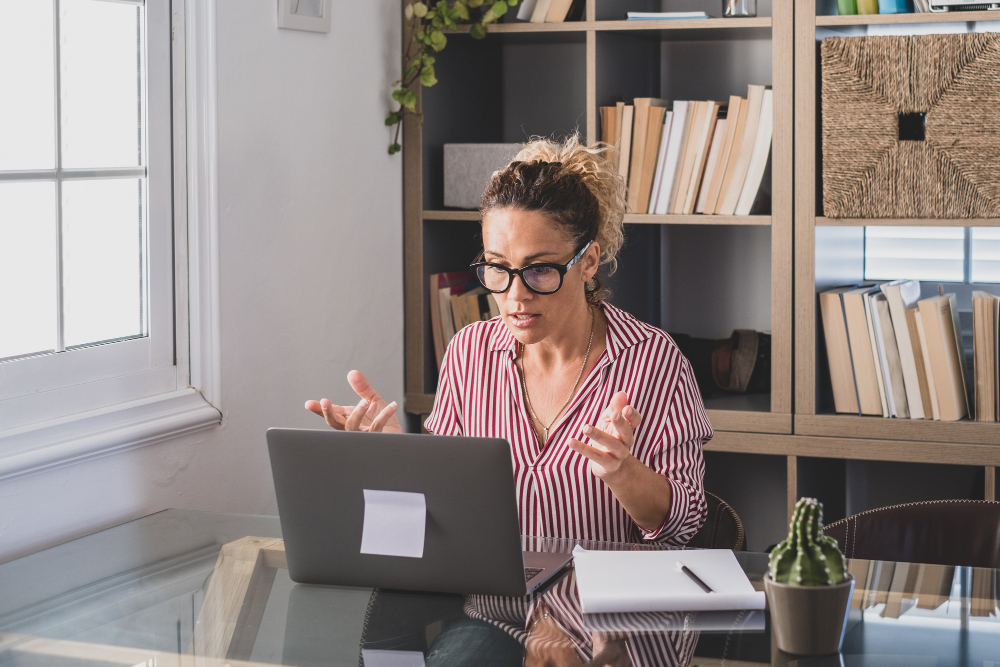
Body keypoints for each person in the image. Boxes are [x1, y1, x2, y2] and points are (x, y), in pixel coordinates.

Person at [306, 134, 712, 546]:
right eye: (498, 268)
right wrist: (397, 453)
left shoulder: (653, 360)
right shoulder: (470, 352)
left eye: (539, 270)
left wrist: (623, 472)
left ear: (588, 262)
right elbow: (448, 508)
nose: (515, 295)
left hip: (596, 608)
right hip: (488, 608)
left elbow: (686, 524)